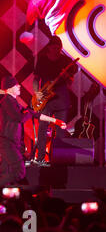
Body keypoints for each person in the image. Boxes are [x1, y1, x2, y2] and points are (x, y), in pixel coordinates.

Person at [0, 76, 67, 191]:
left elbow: (35, 114)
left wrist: (55, 121)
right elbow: (19, 118)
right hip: (7, 142)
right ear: (10, 88)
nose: (19, 86)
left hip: (10, 143)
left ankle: (0, 196)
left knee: (6, 174)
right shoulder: (6, 101)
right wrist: (28, 113)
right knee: (19, 171)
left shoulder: (13, 102)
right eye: (16, 85)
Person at [32, 36, 76, 166]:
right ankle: (40, 158)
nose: (56, 49)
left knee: (61, 130)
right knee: (42, 128)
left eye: (58, 47)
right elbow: (36, 78)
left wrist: (66, 76)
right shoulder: (42, 60)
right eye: (53, 47)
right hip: (45, 99)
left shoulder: (66, 61)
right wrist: (37, 92)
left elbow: (70, 82)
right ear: (49, 47)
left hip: (61, 98)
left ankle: (60, 160)